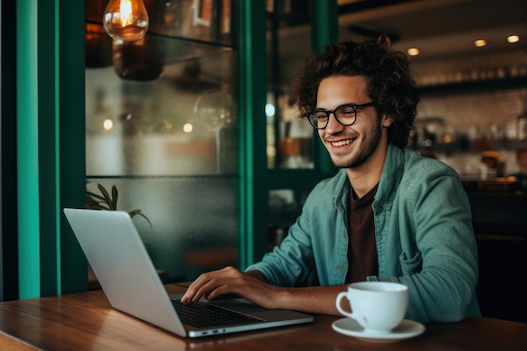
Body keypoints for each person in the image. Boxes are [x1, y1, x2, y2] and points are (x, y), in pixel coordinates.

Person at [182, 35, 480, 323]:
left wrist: (279, 297)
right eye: (322, 115)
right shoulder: (323, 197)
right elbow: (284, 264)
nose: (331, 128)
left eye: (347, 111)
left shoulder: (431, 184)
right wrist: (241, 282)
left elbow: (449, 293)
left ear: (388, 113)